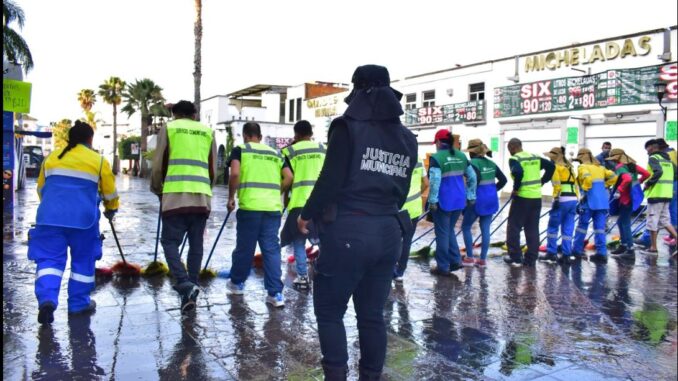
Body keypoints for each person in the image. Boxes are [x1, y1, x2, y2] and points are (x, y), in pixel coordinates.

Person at [296, 64, 417, 380]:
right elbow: (402, 190)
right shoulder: (407, 137)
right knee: (372, 316)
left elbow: (330, 179)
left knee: (329, 311)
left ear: (358, 92)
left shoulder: (346, 127)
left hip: (350, 230)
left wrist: (306, 214)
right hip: (390, 231)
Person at [28, 121, 119, 324]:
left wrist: (54, 209)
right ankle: (78, 304)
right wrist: (111, 209)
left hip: (49, 219)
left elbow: (41, 189)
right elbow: (110, 192)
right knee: (83, 261)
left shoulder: (52, 157)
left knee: (49, 261)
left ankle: (47, 300)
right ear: (90, 139)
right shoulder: (98, 160)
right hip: (83, 222)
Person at [151, 100, 217, 313]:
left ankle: (184, 283)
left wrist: (158, 189)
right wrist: (208, 189)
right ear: (194, 114)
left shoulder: (170, 128)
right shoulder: (207, 131)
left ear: (175, 114)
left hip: (175, 196)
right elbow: (212, 167)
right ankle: (191, 290)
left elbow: (159, 163)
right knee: (196, 245)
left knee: (170, 242)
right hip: (201, 197)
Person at [226, 122, 293, 307]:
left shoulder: (241, 150)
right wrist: (275, 192)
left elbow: (235, 174)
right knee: (271, 250)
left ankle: (237, 283)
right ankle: (275, 294)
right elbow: (289, 177)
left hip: (251, 207)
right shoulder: (277, 153)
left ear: (245, 136)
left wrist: (231, 197)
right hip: (272, 208)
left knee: (245, 248)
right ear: (260, 136)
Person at [281, 120, 326, 289]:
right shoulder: (323, 149)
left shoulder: (289, 151)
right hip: (321, 203)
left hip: (299, 202)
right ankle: (324, 271)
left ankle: (303, 277)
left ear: (296, 134)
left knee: (298, 241)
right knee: (322, 239)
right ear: (311, 133)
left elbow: (286, 179)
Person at [428, 129, 477, 274]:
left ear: (438, 142)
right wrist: (471, 196)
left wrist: (432, 200)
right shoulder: (462, 156)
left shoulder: (436, 158)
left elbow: (435, 181)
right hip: (459, 200)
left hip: (443, 201)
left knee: (442, 234)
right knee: (449, 231)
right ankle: (455, 261)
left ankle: (443, 266)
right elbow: (472, 177)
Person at [504, 138, 555, 267]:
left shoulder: (515, 159)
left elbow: (518, 172)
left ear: (512, 147)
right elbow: (551, 166)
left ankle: (515, 257)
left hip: (522, 197)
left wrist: (516, 188)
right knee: (532, 228)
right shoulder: (534, 157)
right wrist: (543, 181)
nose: (509, 152)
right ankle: (531, 258)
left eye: (509, 149)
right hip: (536, 198)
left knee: (513, 227)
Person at [461, 139, 507, 267]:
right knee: (485, 229)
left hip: (477, 200)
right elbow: (504, 180)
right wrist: (493, 190)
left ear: (471, 152)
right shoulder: (491, 163)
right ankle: (482, 260)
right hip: (491, 200)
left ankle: (469, 257)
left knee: (466, 227)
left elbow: (473, 183)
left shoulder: (471, 164)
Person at [572, 148, 617, 263]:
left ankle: (577, 250)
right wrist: (605, 186)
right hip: (602, 202)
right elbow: (614, 177)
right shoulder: (601, 168)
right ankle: (602, 253)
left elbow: (587, 178)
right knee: (600, 229)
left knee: (582, 227)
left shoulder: (583, 167)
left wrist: (586, 192)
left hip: (589, 201)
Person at [605, 148, 649, 259]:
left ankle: (630, 249)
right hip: (631, 197)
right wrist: (639, 182)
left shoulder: (620, 167)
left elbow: (627, 178)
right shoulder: (632, 166)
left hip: (625, 199)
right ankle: (623, 245)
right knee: (620, 222)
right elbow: (646, 173)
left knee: (625, 224)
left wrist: (619, 190)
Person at [394, 157, 429, 281]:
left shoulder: (396, 156)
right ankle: (400, 271)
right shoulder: (418, 159)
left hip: (398, 207)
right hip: (414, 207)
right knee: (407, 240)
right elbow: (426, 183)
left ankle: (392, 267)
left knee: (394, 239)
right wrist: (417, 194)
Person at [641, 139, 678, 255]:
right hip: (667, 194)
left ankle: (653, 247)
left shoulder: (654, 158)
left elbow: (658, 172)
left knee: (652, 221)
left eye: (647, 149)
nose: (647, 152)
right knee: (665, 220)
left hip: (656, 194)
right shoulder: (668, 160)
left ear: (652, 147)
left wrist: (648, 183)